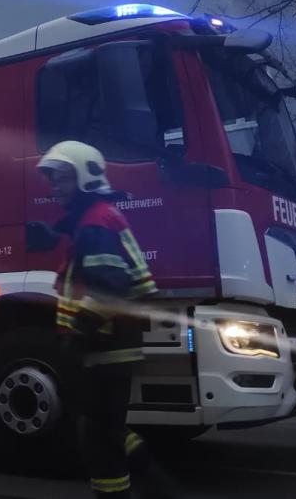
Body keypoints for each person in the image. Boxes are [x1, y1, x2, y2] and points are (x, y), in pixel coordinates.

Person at [34, 140, 172, 498]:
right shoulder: (95, 218)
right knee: (104, 431)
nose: (54, 187)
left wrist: (78, 335)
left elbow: (110, 288)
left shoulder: (95, 223)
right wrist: (55, 236)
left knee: (101, 433)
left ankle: (150, 485)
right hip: (112, 344)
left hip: (104, 345)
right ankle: (147, 485)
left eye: (62, 179)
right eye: (52, 180)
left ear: (85, 179)